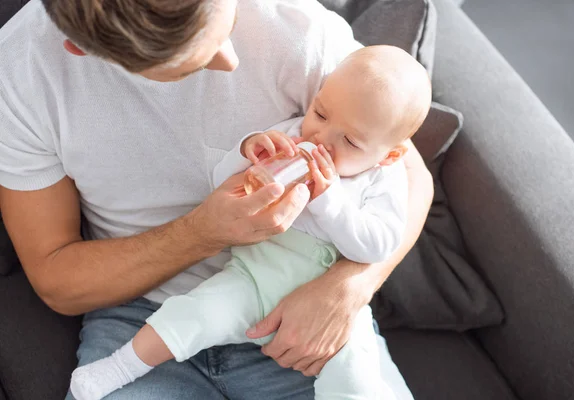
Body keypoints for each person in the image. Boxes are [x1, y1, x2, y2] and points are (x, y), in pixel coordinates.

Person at [0, 0, 434, 399]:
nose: (231, 59)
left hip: (298, 305)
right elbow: (56, 278)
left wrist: (347, 288)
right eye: (196, 61)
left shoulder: (299, 28)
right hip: (142, 318)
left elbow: (408, 174)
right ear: (83, 49)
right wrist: (203, 232)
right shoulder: (22, 73)